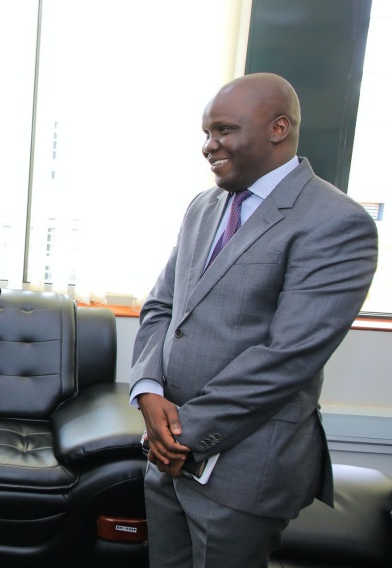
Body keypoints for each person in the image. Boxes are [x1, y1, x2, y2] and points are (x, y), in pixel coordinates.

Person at [129, 72, 378, 567]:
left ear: (278, 127)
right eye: (206, 133)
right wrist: (148, 390)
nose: (208, 146)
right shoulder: (204, 206)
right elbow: (161, 308)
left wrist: (183, 434)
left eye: (223, 130)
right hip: (166, 463)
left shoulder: (336, 222)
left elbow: (289, 356)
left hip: (242, 472)